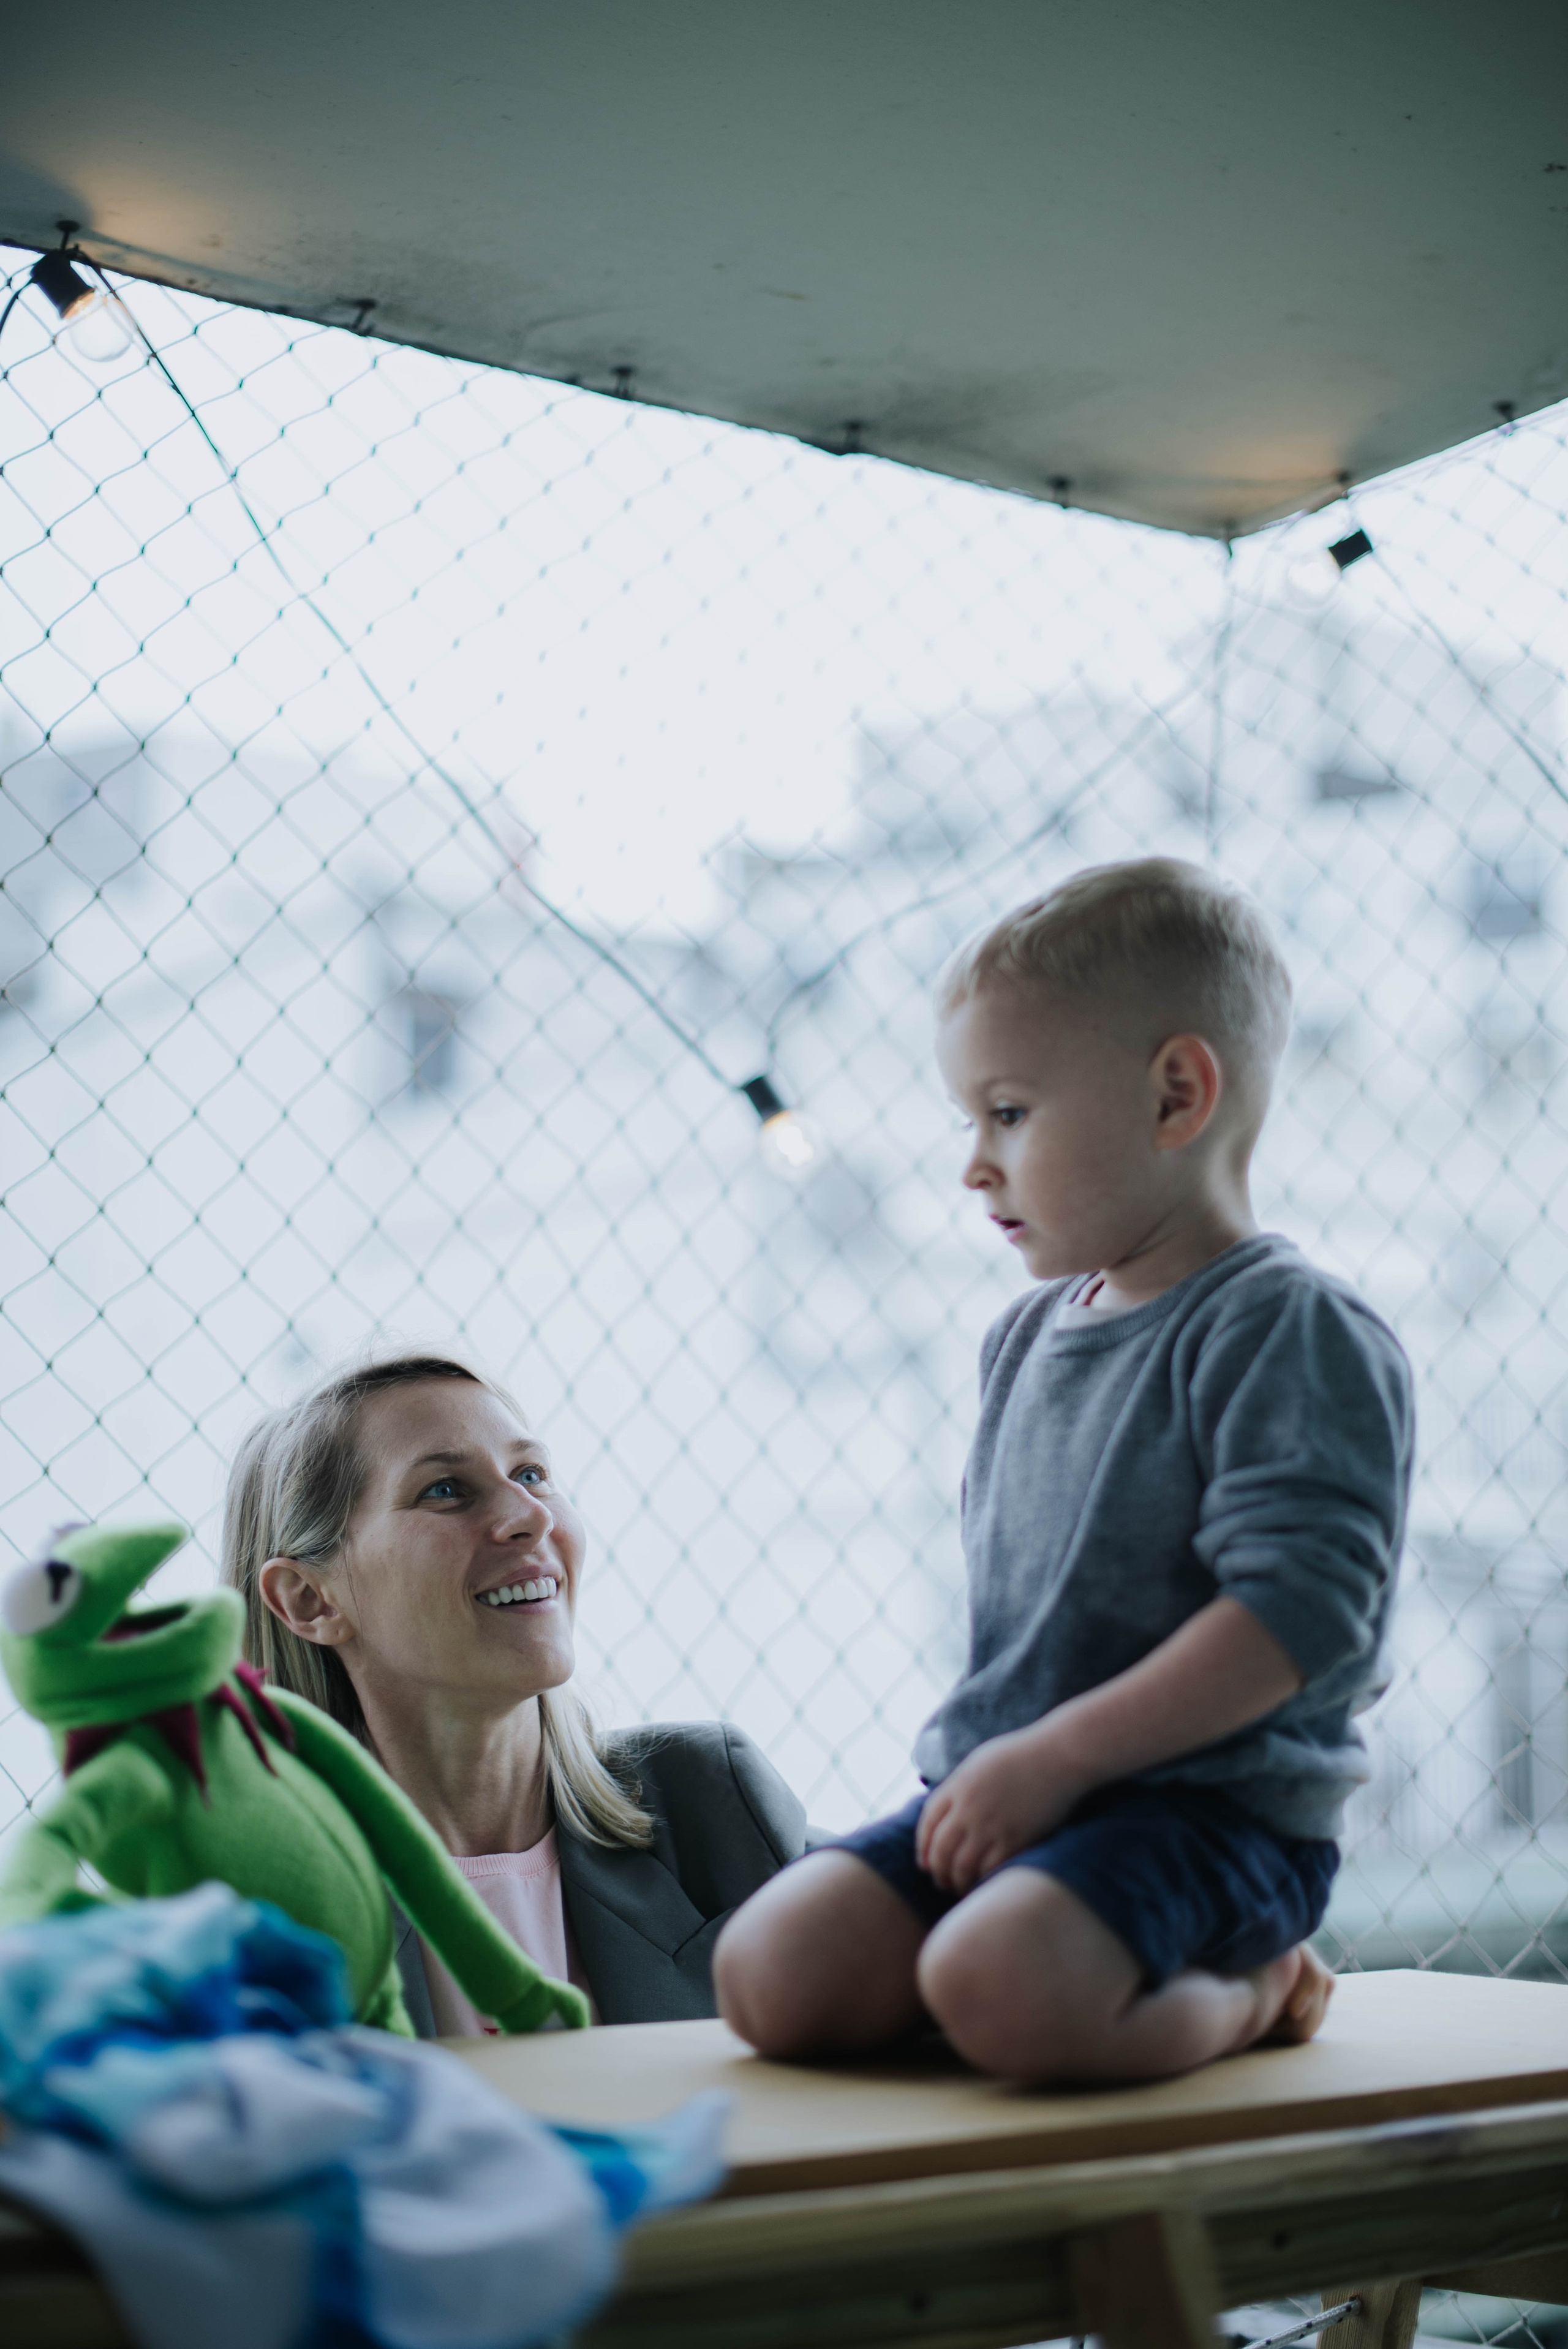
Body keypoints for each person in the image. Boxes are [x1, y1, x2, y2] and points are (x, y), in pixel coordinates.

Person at [715, 858, 1413, 2084]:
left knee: (1003, 1990)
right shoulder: (1024, 1337)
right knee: (768, 1973)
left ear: (1174, 1095)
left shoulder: (1283, 1327)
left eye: (1008, 1113)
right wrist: (1017, 1774)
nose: (972, 1164)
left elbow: (1294, 1620)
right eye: (968, 1121)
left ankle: (1249, 1987)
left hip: (1209, 1818)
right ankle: (1037, 1984)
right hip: (1014, 1798)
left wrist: (1054, 1760)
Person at [224, 1351, 807, 2030]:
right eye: (445, 1489)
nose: (530, 1514)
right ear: (308, 1600)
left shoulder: (708, 1801)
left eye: (531, 1473)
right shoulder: (247, 1909)